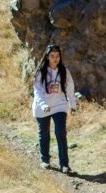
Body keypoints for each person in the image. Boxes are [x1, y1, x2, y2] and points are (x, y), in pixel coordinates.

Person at [32, 44, 76, 174]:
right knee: (44, 134)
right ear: (47, 57)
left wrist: (72, 105)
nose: (55, 59)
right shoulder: (40, 72)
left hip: (59, 106)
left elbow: (70, 88)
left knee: (60, 133)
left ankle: (64, 164)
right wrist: (43, 105)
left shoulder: (64, 70)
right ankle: (45, 159)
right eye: (52, 56)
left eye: (57, 56)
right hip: (42, 107)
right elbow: (37, 92)